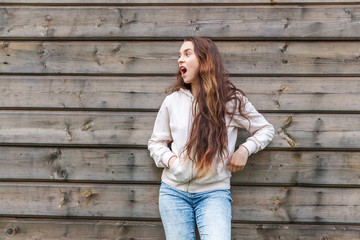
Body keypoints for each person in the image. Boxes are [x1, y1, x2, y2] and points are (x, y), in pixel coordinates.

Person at [148, 36, 275, 240]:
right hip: (173, 193)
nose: (180, 59)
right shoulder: (172, 101)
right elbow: (156, 142)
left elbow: (265, 129)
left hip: (213, 194)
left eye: (187, 54)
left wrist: (244, 150)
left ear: (205, 60)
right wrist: (172, 162)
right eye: (179, 55)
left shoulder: (231, 102)